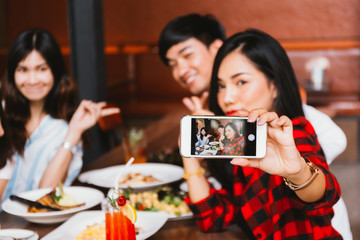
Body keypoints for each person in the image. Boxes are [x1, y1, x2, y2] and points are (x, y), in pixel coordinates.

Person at [159, 13, 351, 240]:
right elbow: (212, 218)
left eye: (241, 82)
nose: (227, 97)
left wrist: (298, 172)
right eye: (220, 86)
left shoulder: (291, 133)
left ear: (275, 86)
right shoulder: (244, 147)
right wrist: (189, 153)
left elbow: (323, 193)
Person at [0, 29, 120, 201]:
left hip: (34, 224)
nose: (32, 80)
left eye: (42, 69)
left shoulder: (63, 130)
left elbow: (45, 196)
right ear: (12, 73)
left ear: (55, 72)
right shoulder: (1, 116)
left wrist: (73, 134)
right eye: (23, 69)